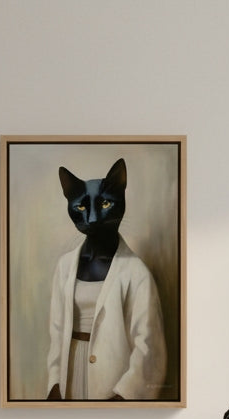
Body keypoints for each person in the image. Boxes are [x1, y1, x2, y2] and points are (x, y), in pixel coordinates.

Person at [46, 158, 167, 401]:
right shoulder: (65, 266)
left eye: (104, 204)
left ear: (121, 199)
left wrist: (123, 395)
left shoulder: (136, 273)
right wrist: (55, 384)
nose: (92, 218)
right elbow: (57, 333)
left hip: (113, 380)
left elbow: (149, 348)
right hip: (70, 376)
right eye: (81, 207)